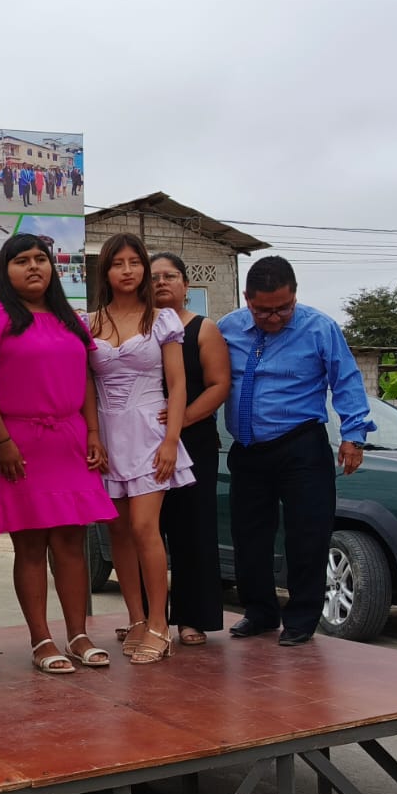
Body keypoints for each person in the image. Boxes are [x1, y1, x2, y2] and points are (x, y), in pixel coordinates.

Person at [0, 234, 116, 672]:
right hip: (17, 442)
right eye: (22, 260)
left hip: (69, 440)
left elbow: (86, 379)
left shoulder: (70, 319)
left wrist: (93, 432)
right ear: (4, 270)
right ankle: (41, 639)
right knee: (29, 545)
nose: (34, 267)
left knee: (71, 542)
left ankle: (79, 634)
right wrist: (1, 441)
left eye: (41, 259)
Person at [219, 255, 374, 646]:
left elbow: (346, 380)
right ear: (247, 299)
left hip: (300, 446)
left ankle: (302, 618)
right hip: (248, 449)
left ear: (295, 296)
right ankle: (259, 612)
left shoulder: (319, 328)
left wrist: (354, 435)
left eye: (283, 308)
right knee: (249, 536)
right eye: (263, 311)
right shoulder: (227, 328)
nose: (274, 318)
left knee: (307, 534)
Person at [87, 232, 194, 665]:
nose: (127, 270)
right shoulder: (88, 323)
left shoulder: (162, 320)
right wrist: (93, 435)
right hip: (108, 436)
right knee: (117, 531)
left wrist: (171, 440)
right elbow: (87, 385)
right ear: (106, 271)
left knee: (145, 527)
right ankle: (134, 618)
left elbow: (178, 384)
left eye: (135, 262)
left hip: (151, 433)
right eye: (118, 263)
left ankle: (158, 624)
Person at [151, 252, 232, 646]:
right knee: (146, 530)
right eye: (154, 278)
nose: (161, 283)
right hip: (141, 441)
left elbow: (219, 385)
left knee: (192, 530)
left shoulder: (203, 328)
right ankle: (146, 618)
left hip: (193, 439)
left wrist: (180, 420)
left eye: (170, 276)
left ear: (185, 284)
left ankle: (192, 618)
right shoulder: (136, 328)